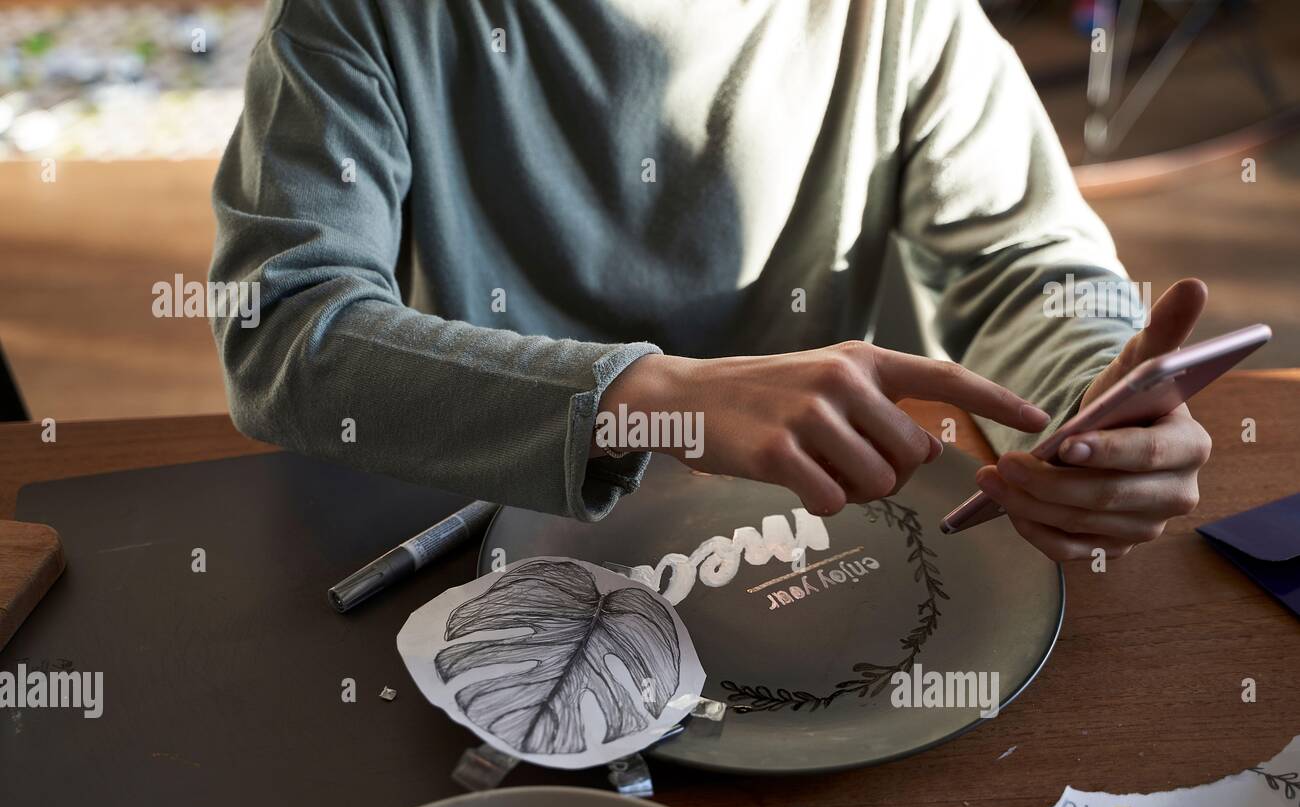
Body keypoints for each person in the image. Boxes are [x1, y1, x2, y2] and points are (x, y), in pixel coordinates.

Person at [210, 0, 1210, 562]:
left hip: (841, 546)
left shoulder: (908, 18)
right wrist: (655, 399)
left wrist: (1096, 403)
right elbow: (289, 331)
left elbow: (1021, 263)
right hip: (489, 548)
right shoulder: (355, 20)